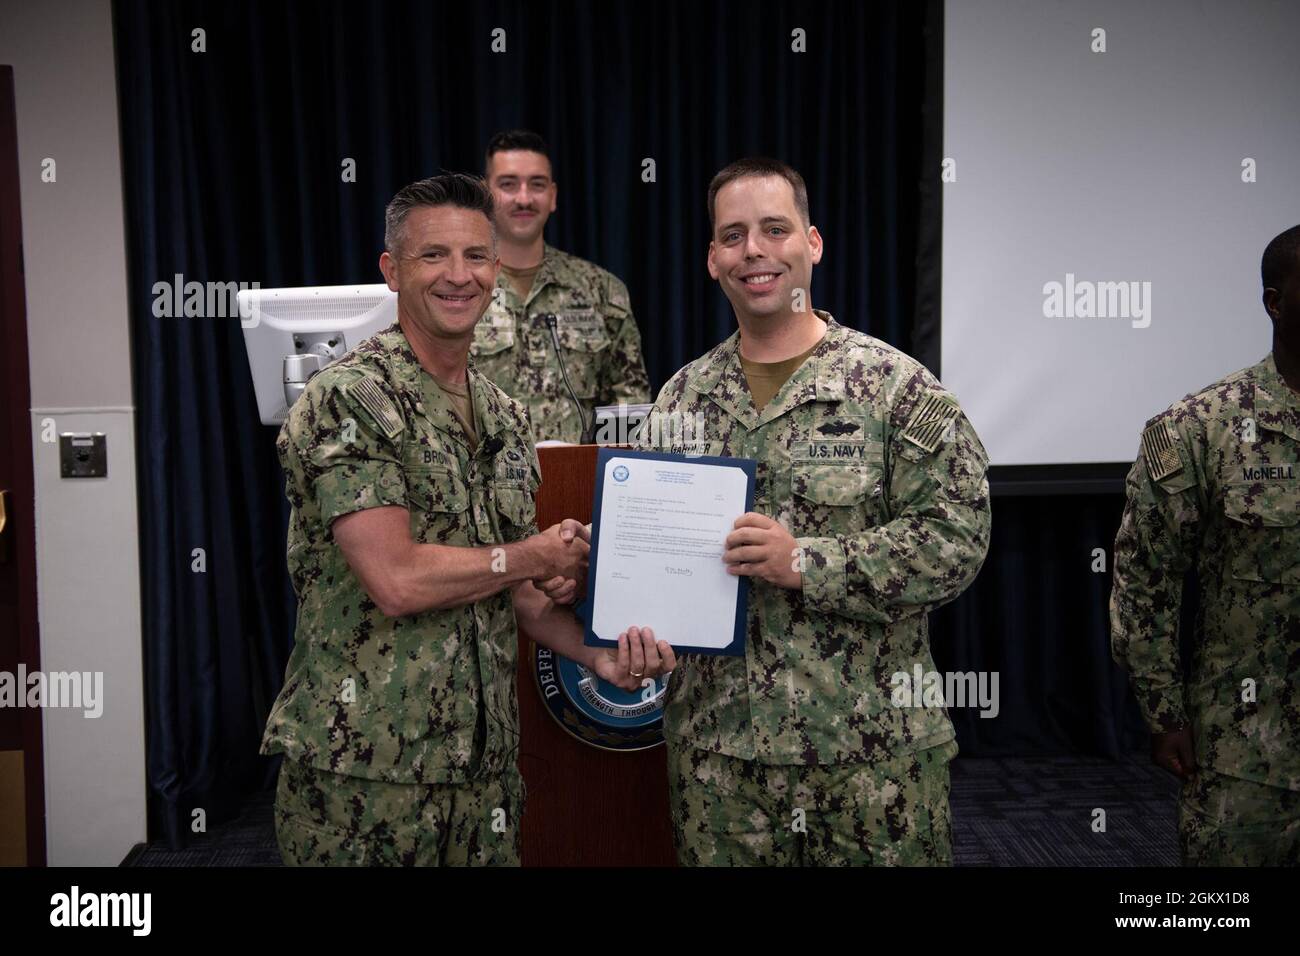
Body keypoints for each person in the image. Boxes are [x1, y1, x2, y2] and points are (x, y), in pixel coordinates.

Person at [261, 173, 673, 866]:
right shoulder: (351, 399)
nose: (460, 276)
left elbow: (507, 592)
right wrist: (537, 556)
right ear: (392, 271)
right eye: (434, 257)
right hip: (369, 780)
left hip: (485, 779)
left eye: (477, 257)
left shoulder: (507, 416)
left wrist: (595, 655)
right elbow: (395, 579)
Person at [632, 158, 991, 865]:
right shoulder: (681, 401)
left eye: (774, 229)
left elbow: (958, 539)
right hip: (720, 762)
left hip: (870, 760)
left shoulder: (895, 390)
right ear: (712, 260)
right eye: (732, 236)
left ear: (813, 243)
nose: (754, 251)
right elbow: (647, 553)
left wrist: (806, 562)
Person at [1111, 224, 1300, 866]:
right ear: (1275, 301)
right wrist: (1164, 713)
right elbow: (1146, 581)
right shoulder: (1201, 427)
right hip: (1250, 751)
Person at [472, 130, 650, 442]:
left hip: (578, 482)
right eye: (508, 184)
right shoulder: (461, 288)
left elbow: (629, 406)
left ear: (552, 196)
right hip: (482, 485)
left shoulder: (602, 291)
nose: (524, 198)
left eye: (537, 184)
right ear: (486, 193)